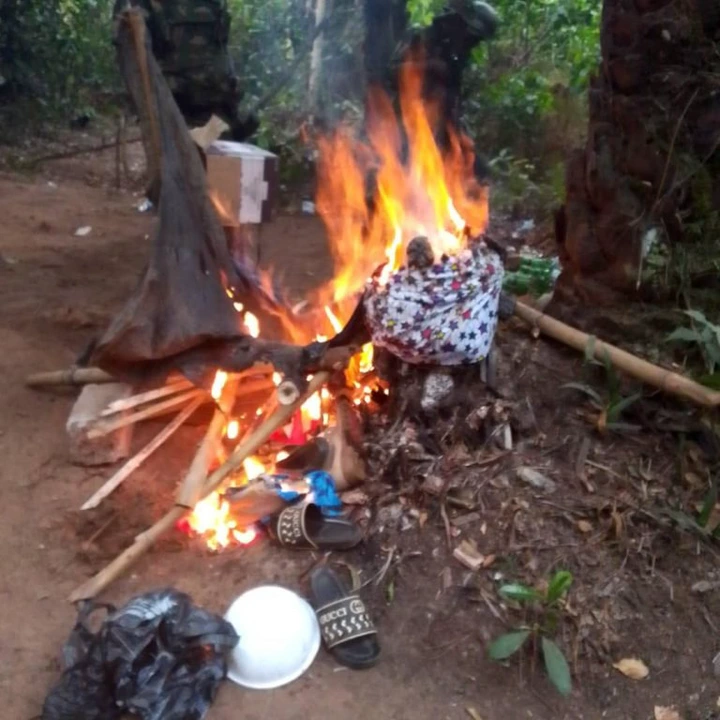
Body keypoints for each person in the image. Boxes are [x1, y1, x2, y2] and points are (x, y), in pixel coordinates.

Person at [112, 0, 258, 141]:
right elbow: (130, 52)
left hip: (218, 105)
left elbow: (220, 46)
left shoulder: (214, 4)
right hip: (174, 108)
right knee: (184, 161)